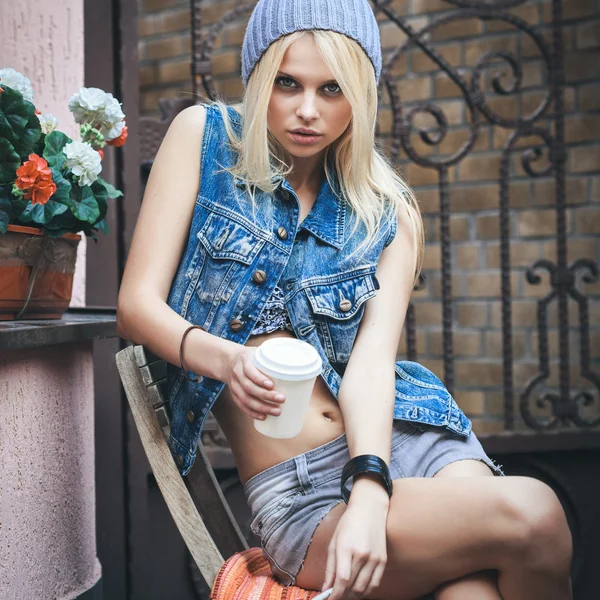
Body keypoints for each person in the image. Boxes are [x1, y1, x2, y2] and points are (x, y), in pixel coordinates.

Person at [117, 1, 573, 599]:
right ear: (259, 79)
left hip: (409, 442)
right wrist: (224, 359)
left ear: (361, 93)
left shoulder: (387, 210)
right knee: (533, 516)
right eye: (288, 83)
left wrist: (369, 488)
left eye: (332, 89)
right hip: (298, 490)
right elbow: (135, 305)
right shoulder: (205, 140)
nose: (308, 110)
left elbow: (371, 367)